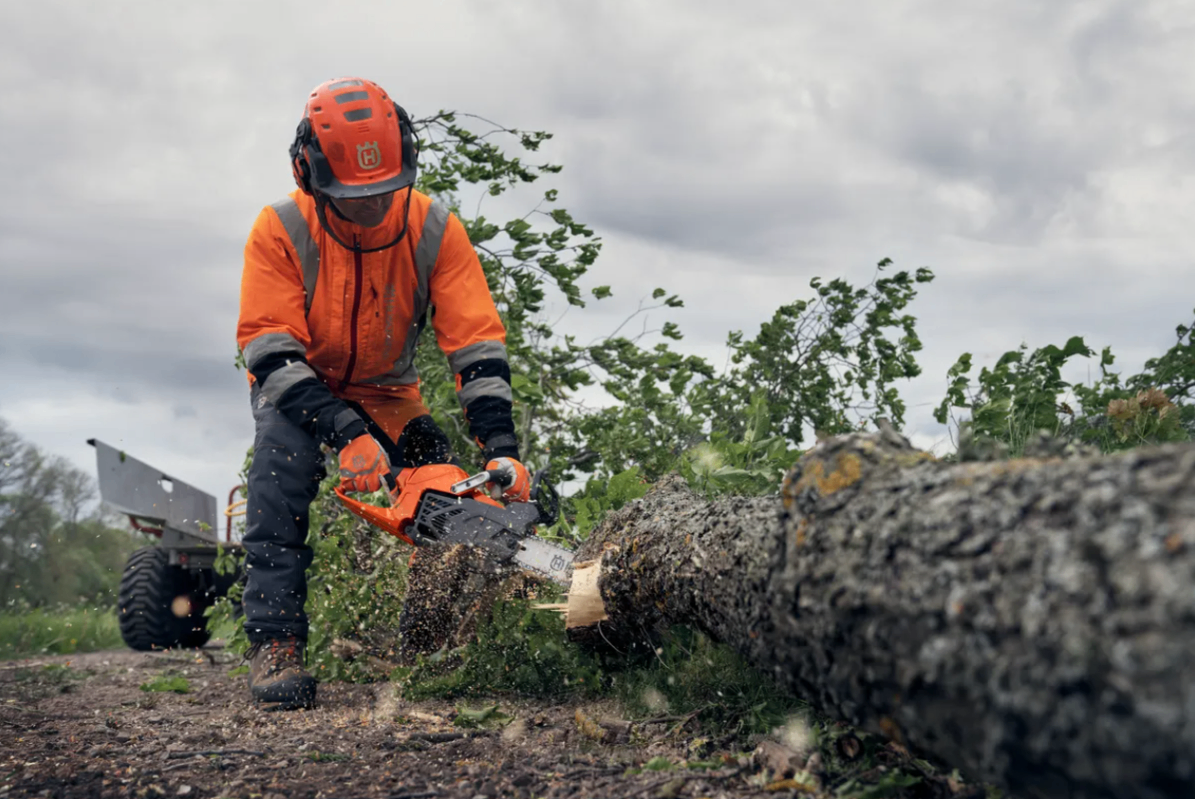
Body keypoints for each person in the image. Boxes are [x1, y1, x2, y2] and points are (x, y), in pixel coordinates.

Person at [235, 77, 529, 710]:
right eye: (354, 196)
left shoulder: (434, 230)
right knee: (278, 474)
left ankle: (438, 642)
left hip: (389, 392)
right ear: (309, 171)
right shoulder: (280, 228)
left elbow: (476, 346)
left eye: (383, 192)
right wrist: (346, 433)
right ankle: (275, 642)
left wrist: (502, 447)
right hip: (301, 388)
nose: (371, 207)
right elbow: (269, 351)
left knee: (445, 492)